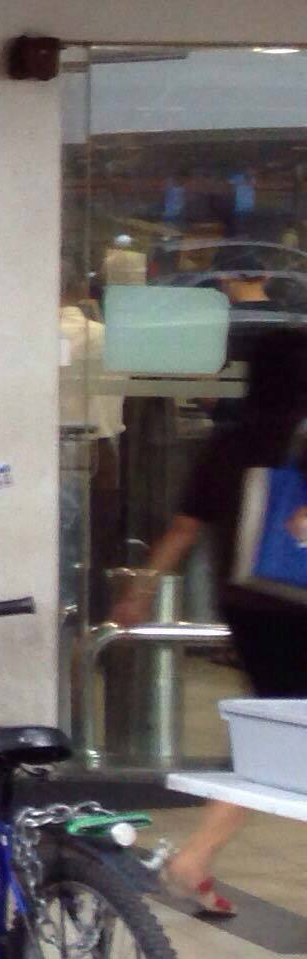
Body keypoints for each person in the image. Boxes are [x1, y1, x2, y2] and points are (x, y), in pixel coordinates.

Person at [114, 325, 307, 919]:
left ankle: (196, 859)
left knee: (282, 736)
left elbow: (184, 528)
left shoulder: (228, 443)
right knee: (284, 743)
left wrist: (141, 590)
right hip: (299, 609)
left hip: (248, 607)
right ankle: (193, 859)